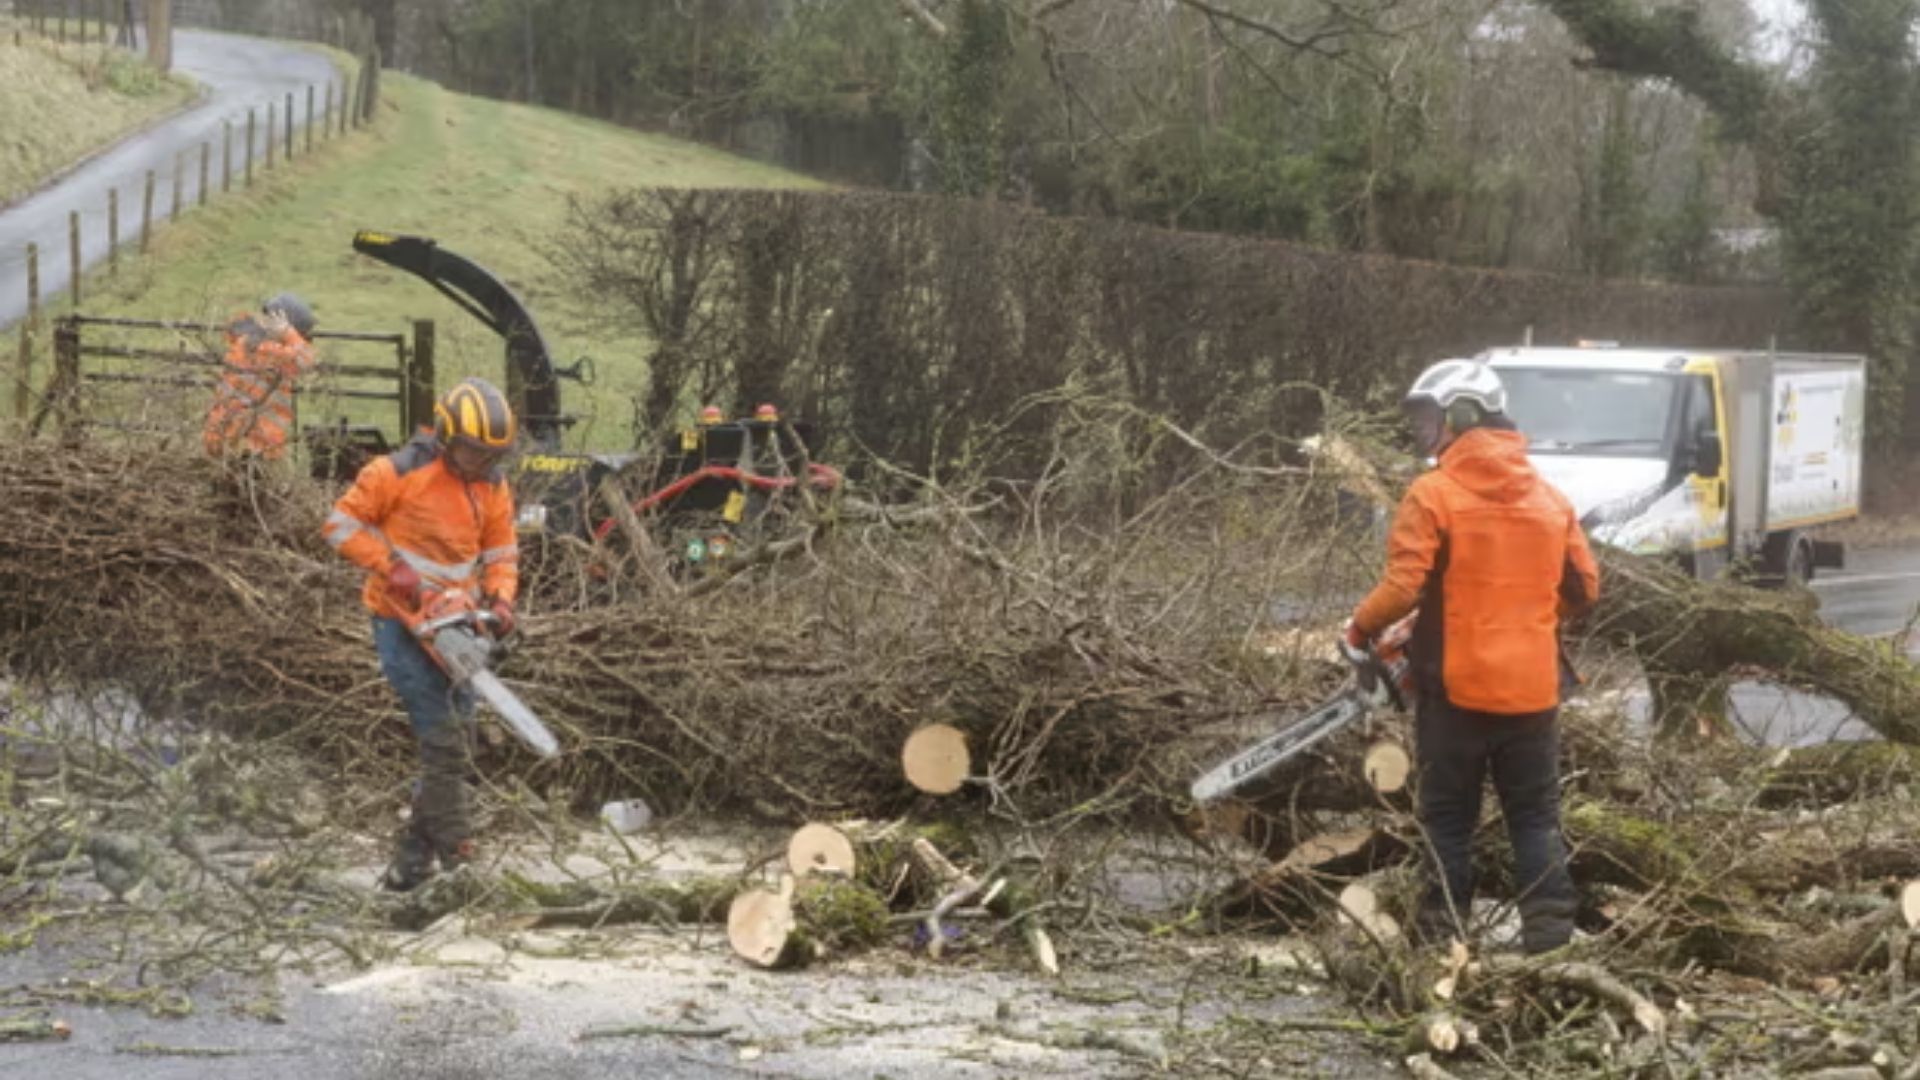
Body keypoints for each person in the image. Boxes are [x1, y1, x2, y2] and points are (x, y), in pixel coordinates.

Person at [1344, 359, 1600, 954]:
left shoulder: (1434, 494)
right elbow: (1584, 589)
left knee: (1448, 822)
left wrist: (1360, 629)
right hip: (1532, 696)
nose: (1424, 432)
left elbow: (1404, 587)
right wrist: (1531, 617)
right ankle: (1550, 942)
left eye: (1431, 419)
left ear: (1463, 414)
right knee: (1534, 820)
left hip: (1454, 695)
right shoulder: (1550, 499)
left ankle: (1442, 943)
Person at [322, 377, 521, 891]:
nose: (479, 462)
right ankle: (457, 856)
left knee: (461, 742)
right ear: (447, 435)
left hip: (455, 623)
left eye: (489, 453)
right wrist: (389, 566)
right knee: (444, 740)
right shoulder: (398, 471)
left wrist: (500, 599)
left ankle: (410, 860)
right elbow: (340, 524)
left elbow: (501, 551)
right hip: (399, 622)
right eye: (472, 450)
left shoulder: (493, 486)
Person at [201, 293, 318, 461]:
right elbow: (306, 360)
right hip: (252, 445)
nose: (304, 340)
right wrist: (287, 333)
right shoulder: (267, 351)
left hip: (225, 437)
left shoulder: (247, 341)